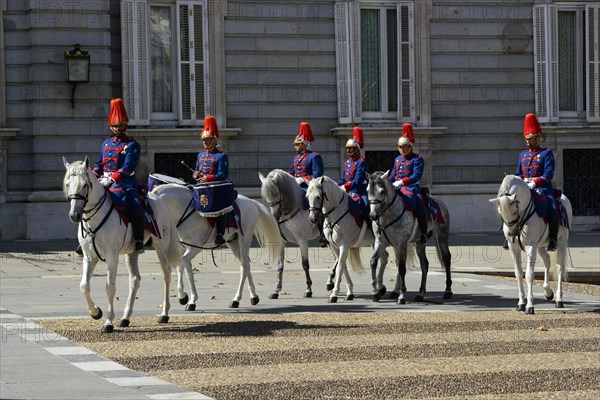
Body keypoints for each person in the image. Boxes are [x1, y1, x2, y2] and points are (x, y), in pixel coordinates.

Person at [93, 98, 145, 252]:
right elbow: (99, 163)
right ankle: (87, 239)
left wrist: (113, 178)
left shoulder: (132, 145)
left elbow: (128, 167)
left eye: (121, 125)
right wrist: (95, 173)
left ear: (126, 125)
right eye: (115, 126)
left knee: (136, 206)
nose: (118, 128)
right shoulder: (106, 144)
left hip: (125, 183)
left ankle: (138, 239)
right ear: (111, 126)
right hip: (104, 182)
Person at [515, 113, 558, 252]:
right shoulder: (523, 155)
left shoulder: (546, 153)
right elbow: (518, 174)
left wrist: (535, 183)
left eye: (531, 139)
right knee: (510, 207)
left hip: (542, 189)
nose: (528, 142)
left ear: (538, 137)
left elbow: (548, 174)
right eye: (526, 139)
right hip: (525, 189)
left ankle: (552, 239)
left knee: (553, 207)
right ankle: (511, 236)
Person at [288, 122, 328, 247]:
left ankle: (323, 234)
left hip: (309, 187)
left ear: (304, 144)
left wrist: (303, 179)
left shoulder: (314, 157)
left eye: (297, 145)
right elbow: (291, 173)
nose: (295, 147)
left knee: (314, 202)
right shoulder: (296, 158)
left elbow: (317, 175)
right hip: (296, 186)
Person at [389, 123, 428, 244]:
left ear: (410, 146)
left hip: (411, 187)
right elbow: (393, 174)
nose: (402, 149)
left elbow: (416, 176)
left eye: (404, 147)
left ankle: (423, 233)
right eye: (400, 147)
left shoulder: (417, 159)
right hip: (396, 187)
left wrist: (402, 182)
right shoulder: (397, 159)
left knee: (419, 205)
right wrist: (385, 181)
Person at [193, 116, 229, 246]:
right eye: (203, 140)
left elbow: (223, 174)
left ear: (214, 140)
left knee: (219, 205)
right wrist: (195, 175)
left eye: (207, 140)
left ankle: (219, 234)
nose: (205, 142)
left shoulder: (221, 156)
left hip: (215, 188)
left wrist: (208, 178)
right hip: (202, 187)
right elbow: (196, 171)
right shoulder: (200, 155)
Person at [338, 126, 369, 218]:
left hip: (359, 190)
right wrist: (337, 185)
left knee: (366, 205)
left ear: (357, 149)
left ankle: (370, 227)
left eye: (350, 148)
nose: (348, 151)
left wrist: (347, 186)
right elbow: (343, 179)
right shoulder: (347, 163)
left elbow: (358, 180)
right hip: (347, 190)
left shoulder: (361, 162)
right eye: (347, 148)